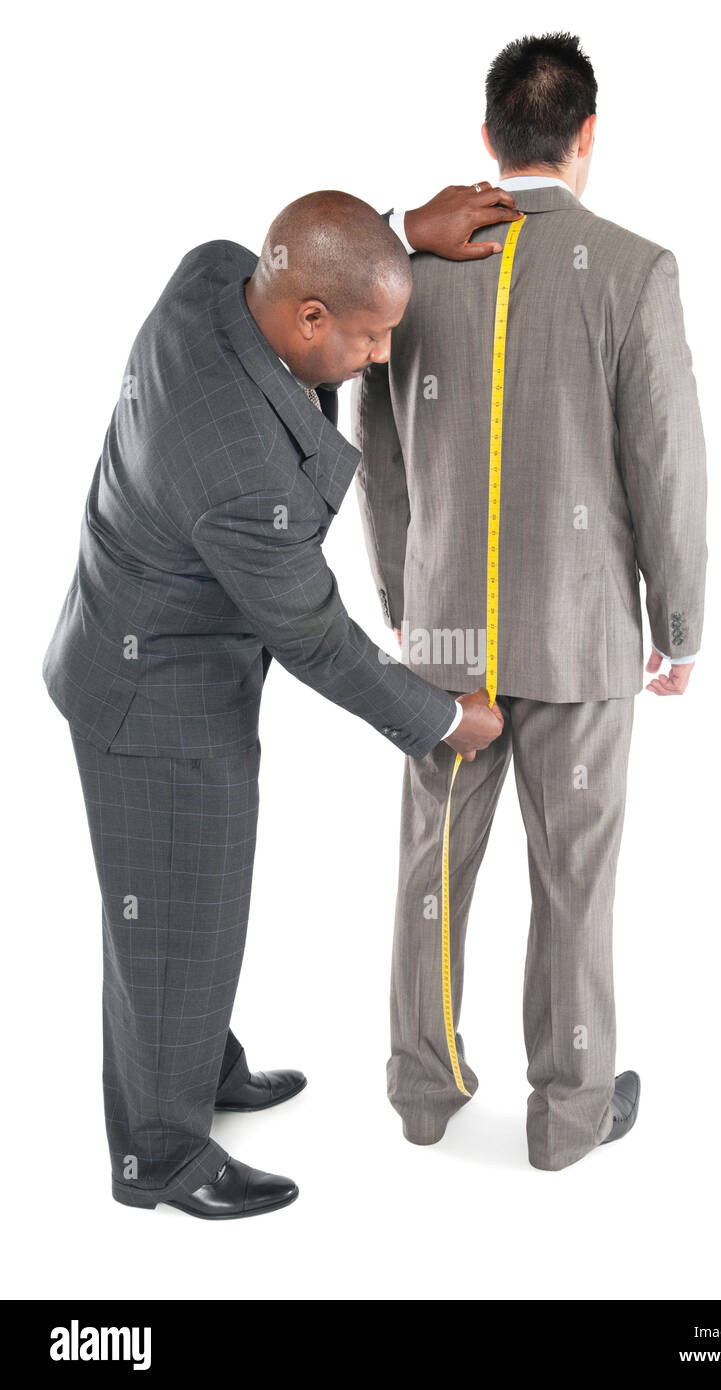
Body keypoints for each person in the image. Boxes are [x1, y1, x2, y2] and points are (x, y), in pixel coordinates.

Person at [43, 185, 517, 1218]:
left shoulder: (214, 272)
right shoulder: (236, 467)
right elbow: (315, 635)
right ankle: (161, 1156)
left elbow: (316, 255)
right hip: (150, 700)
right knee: (167, 918)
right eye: (371, 335)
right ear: (309, 320)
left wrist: (398, 236)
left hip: (161, 651)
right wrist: (441, 720)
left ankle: (199, 1066)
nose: (382, 357)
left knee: (195, 900)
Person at [353, 32, 708, 1170]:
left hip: (447, 628)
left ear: (489, 142)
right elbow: (668, 461)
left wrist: (405, 596)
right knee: (575, 881)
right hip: (583, 629)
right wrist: (681, 623)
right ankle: (565, 1114)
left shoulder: (413, 269)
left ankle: (421, 1090)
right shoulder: (636, 267)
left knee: (433, 866)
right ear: (586, 138)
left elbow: (382, 451)